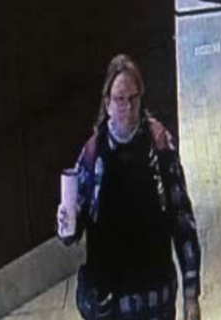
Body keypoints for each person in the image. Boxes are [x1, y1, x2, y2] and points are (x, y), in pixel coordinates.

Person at [57, 54, 202, 320]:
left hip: (154, 298)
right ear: (107, 103)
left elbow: (182, 221)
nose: (127, 107)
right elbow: (70, 235)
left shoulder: (160, 147)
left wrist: (191, 295)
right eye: (119, 99)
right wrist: (67, 221)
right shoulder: (93, 155)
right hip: (111, 303)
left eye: (133, 98)